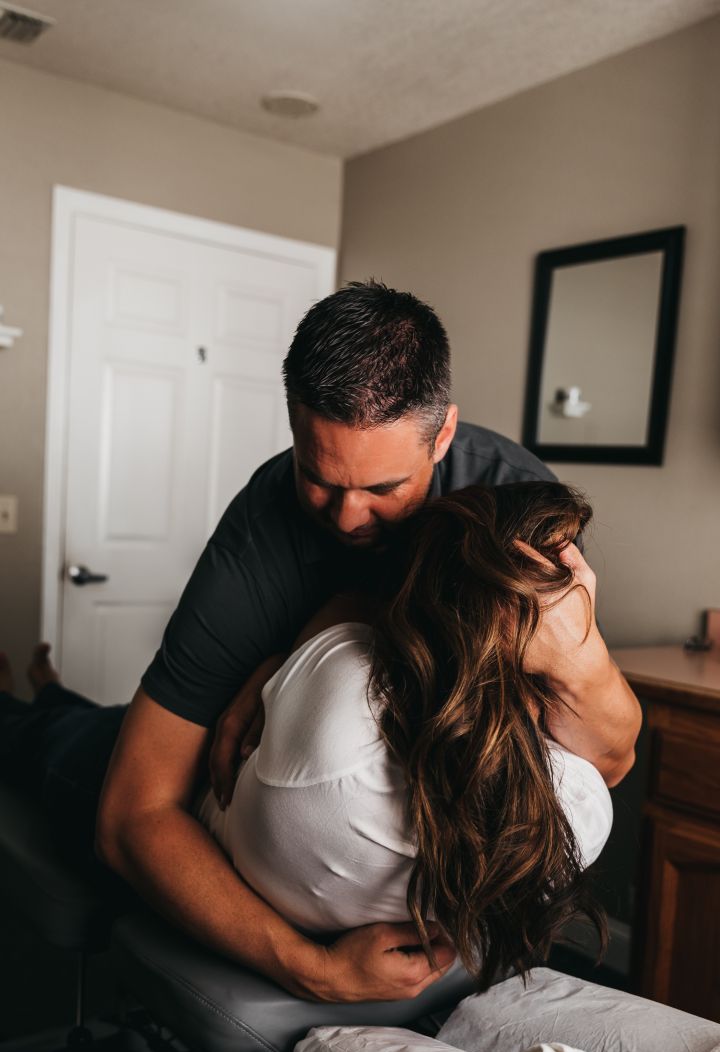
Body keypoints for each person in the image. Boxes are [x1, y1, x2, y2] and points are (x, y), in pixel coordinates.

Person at [25, 281, 641, 1002]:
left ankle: (50, 691)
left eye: (383, 489)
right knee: (63, 744)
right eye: (318, 479)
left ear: (443, 435)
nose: (348, 518)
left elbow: (608, 762)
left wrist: (578, 659)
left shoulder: (511, 505)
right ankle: (32, 701)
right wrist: (313, 969)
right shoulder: (259, 533)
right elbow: (132, 813)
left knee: (86, 721)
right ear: (293, 422)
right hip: (212, 764)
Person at [0, 481, 613, 994]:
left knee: (51, 733)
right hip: (187, 782)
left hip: (193, 791)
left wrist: (278, 664)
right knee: (64, 727)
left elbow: (354, 606)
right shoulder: (576, 815)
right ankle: (44, 693)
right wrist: (576, 648)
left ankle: (37, 697)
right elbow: (610, 753)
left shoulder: (344, 697)